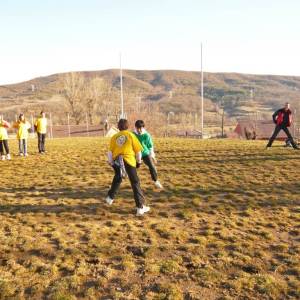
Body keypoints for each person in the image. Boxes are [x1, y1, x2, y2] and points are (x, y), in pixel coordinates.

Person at [106, 118, 150, 216]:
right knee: (135, 183)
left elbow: (110, 152)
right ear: (128, 126)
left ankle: (110, 198)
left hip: (117, 161)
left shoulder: (114, 137)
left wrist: (111, 162)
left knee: (118, 178)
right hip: (129, 161)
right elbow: (138, 151)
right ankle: (140, 208)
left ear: (118, 127)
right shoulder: (131, 135)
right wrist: (139, 162)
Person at [133, 120, 163, 189]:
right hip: (136, 154)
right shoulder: (133, 134)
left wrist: (153, 156)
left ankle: (156, 181)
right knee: (134, 167)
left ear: (143, 128)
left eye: (141, 128)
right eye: (138, 128)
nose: (139, 130)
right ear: (135, 127)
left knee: (152, 166)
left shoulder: (146, 135)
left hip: (145, 153)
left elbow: (150, 146)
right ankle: (132, 181)